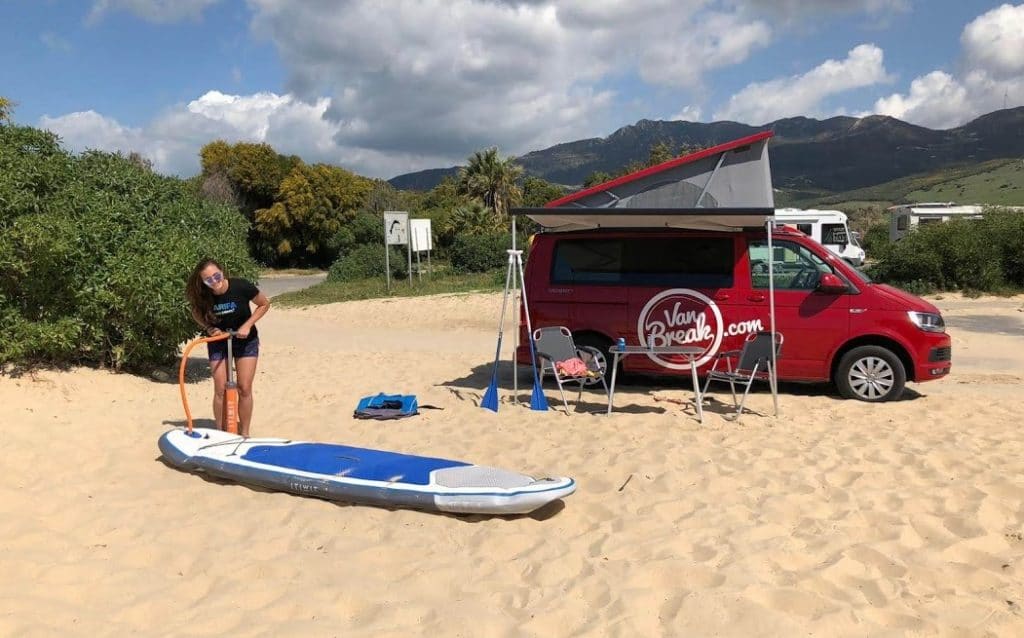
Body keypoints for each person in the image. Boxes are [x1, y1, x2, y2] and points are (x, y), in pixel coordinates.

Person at [186, 258, 271, 437]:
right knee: (221, 389)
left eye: (216, 276)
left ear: (222, 272)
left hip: (245, 341)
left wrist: (247, 325)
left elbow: (264, 304)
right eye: (208, 279)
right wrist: (209, 328)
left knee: (244, 387)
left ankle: (245, 433)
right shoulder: (204, 295)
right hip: (219, 342)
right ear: (203, 281)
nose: (214, 281)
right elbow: (195, 312)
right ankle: (220, 432)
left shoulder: (240, 286)